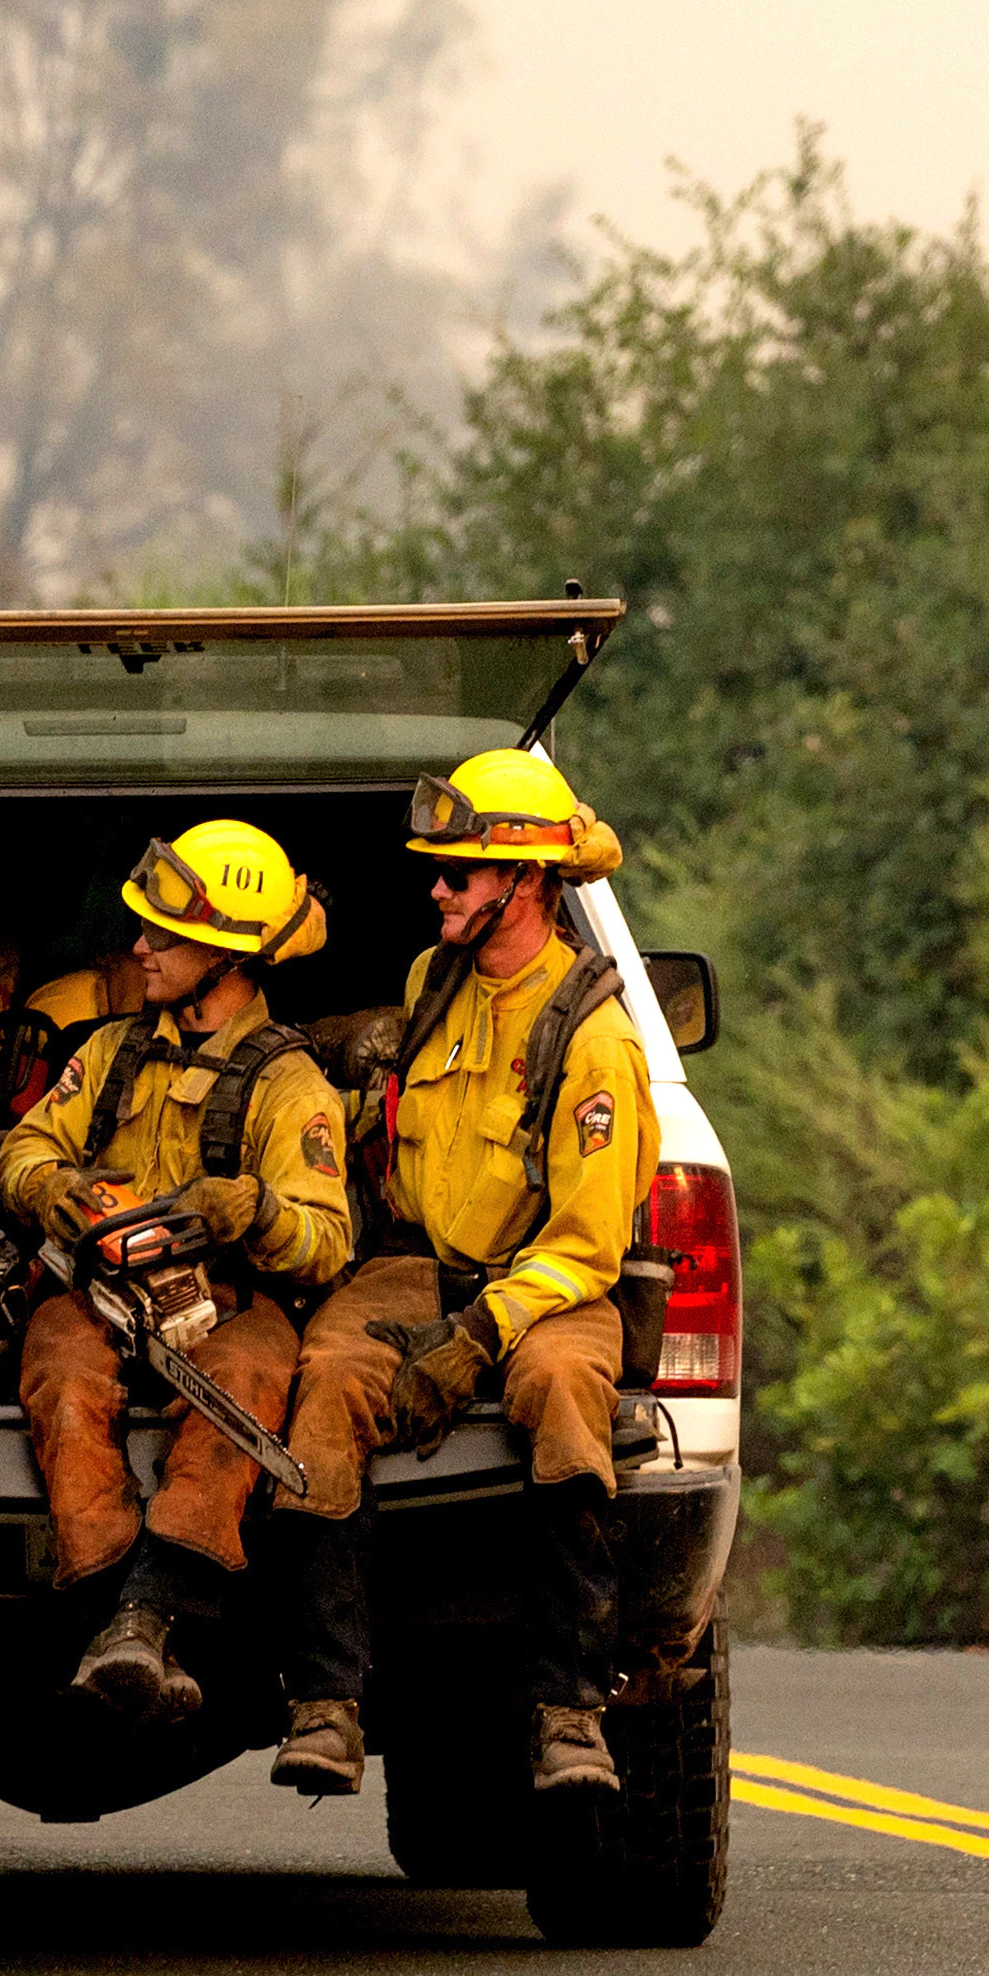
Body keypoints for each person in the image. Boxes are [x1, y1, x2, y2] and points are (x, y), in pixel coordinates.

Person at [250, 749, 658, 1802]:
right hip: (414, 1267)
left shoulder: (596, 1037)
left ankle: (569, 1713)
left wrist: (477, 1335)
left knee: (567, 1393)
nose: (433, 887)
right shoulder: (433, 979)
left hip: (544, 1285)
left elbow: (586, 1244)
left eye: (458, 873)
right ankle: (327, 1706)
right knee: (327, 1386)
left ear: (525, 884)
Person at [0, 820, 355, 1726]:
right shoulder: (110, 1051)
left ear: (228, 959)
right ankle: (111, 1611)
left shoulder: (290, 1083)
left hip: (232, 1303)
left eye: (166, 934)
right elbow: (26, 1145)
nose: (140, 947)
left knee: (248, 1377)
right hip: (100, 1293)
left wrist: (258, 1212)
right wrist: (59, 1189)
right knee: (60, 1370)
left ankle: (146, 1614)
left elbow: (329, 1239)